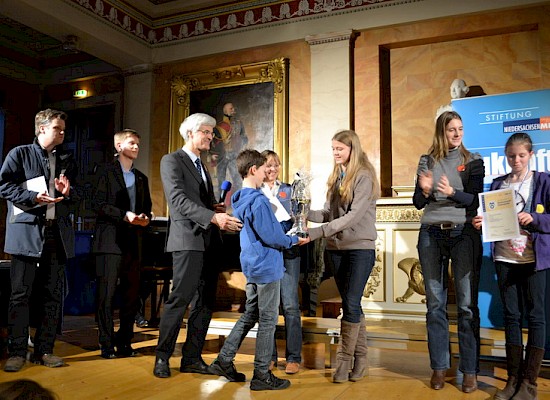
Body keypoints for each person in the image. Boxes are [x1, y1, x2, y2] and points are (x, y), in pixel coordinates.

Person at [208, 149, 308, 390]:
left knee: (250, 315)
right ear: (253, 170)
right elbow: (273, 237)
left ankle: (224, 359)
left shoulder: (238, 198)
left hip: (252, 264)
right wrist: (294, 240)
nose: (267, 173)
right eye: (264, 169)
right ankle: (262, 374)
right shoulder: (259, 201)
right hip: (267, 266)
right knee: (268, 320)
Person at [153, 113, 243, 378]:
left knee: (205, 302)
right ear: (190, 133)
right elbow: (178, 201)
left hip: (208, 241)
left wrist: (213, 207)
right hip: (187, 240)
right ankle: (162, 357)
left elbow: (197, 202)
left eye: (211, 132)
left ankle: (192, 357)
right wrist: (213, 216)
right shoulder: (172, 160)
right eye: (205, 131)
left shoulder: (203, 166)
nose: (210, 137)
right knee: (179, 300)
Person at [0, 109, 77, 372]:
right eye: (58, 128)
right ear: (42, 129)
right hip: (26, 233)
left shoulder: (67, 157)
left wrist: (69, 193)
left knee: (53, 295)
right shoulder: (20, 153)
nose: (62, 133)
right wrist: (32, 198)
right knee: (20, 295)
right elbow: (4, 186)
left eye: (63, 129)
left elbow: (79, 196)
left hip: (56, 234)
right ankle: (17, 351)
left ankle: (45, 350)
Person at [473, 132, 549, 400]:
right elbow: (490, 219)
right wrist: (481, 223)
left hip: (533, 261)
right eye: (511, 156)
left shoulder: (543, 181)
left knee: (537, 317)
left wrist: (536, 218)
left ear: (531, 155)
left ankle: (529, 384)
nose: (516, 160)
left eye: (521, 155)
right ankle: (513, 380)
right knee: (512, 317)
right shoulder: (496, 185)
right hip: (505, 259)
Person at [413, 110, 484, 393]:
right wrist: (428, 190)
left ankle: (469, 370)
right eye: (451, 129)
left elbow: (475, 201)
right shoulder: (427, 160)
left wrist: (452, 192)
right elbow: (418, 201)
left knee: (466, 306)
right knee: (435, 304)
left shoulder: (473, 160)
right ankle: (439, 367)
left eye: (460, 129)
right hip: (431, 233)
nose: (456, 134)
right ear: (441, 132)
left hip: (463, 234)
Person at [306, 129, 379, 383]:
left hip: (360, 248)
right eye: (333, 149)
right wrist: (304, 211)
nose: (336, 153)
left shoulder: (364, 176)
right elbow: (329, 213)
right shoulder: (337, 175)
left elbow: (352, 217)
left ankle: (343, 361)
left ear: (352, 149)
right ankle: (362, 361)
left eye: (340, 149)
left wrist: (318, 232)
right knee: (352, 304)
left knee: (350, 302)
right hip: (336, 249)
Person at [91, 129, 152, 359]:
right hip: (109, 242)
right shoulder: (104, 172)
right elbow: (98, 204)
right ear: (118, 147)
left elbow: (145, 207)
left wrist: (145, 217)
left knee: (131, 296)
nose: (136, 147)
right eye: (131, 143)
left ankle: (125, 342)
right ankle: (106, 343)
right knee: (106, 296)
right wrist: (124, 215)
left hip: (133, 242)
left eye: (138, 143)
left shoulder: (141, 178)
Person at [260, 150, 302, 375]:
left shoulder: (290, 189)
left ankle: (294, 357)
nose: (273, 169)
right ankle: (269, 357)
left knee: (290, 305)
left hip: (290, 252)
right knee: (269, 307)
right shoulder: (255, 192)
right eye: (268, 165)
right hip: (267, 253)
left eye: (276, 165)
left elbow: (299, 217)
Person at [212, 102, 248, 190]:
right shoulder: (219, 126)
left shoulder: (239, 124)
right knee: (221, 179)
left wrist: (241, 145)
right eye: (230, 109)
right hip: (222, 155)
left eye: (233, 108)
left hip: (235, 155)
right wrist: (212, 153)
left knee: (238, 180)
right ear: (225, 111)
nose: (233, 110)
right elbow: (214, 142)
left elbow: (244, 137)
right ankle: (221, 201)